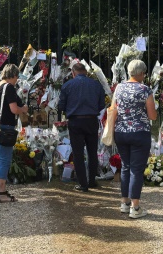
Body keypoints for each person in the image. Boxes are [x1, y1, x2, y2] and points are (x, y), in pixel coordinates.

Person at [111, 59, 157, 219]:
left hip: (121, 132)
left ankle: (124, 203)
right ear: (141, 73)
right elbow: (152, 115)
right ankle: (135, 207)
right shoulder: (145, 90)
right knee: (136, 169)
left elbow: (114, 108)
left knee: (125, 166)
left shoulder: (119, 88)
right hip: (139, 132)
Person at [59, 62, 106, 192]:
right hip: (91, 120)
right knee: (92, 152)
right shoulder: (96, 85)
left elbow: (61, 106)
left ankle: (83, 184)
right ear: (85, 72)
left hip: (75, 121)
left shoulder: (67, 86)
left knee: (78, 154)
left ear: (73, 73)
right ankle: (92, 180)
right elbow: (102, 104)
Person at [0, 64, 27, 202]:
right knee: (4, 159)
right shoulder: (8, 87)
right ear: (13, 75)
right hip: (3, 126)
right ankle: (1, 192)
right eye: (17, 77)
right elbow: (14, 109)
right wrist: (24, 109)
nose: (17, 80)